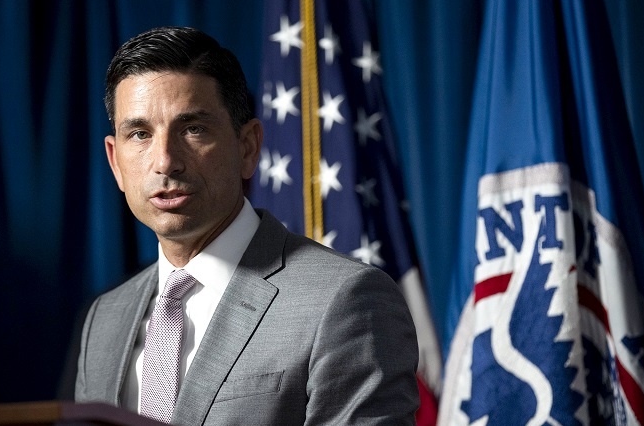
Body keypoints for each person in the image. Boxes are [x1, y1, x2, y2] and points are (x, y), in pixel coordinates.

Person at [74, 26, 420, 425]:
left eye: (193, 129)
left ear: (248, 147)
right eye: (140, 134)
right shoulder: (105, 317)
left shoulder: (346, 300)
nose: (165, 161)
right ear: (115, 162)